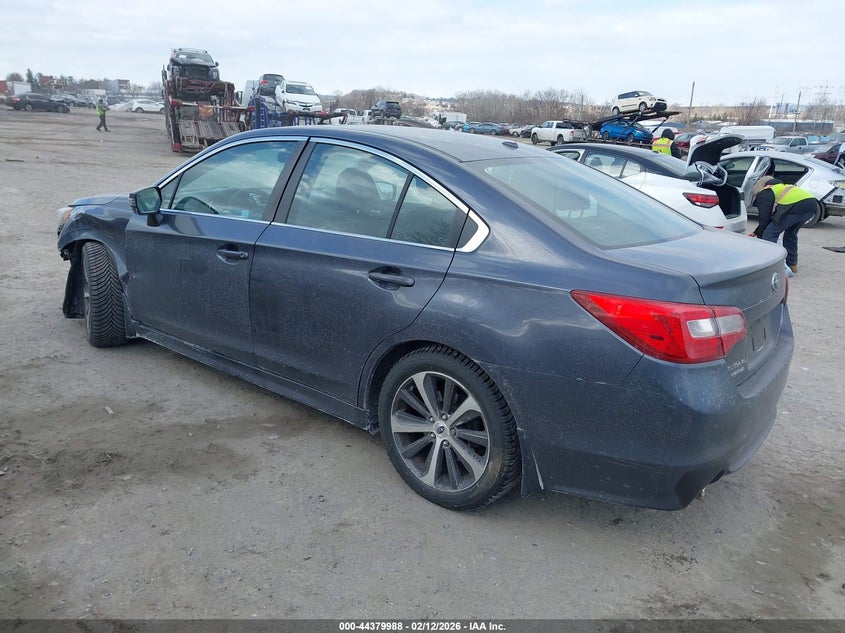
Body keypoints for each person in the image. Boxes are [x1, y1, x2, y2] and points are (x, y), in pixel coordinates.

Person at [751, 177, 819, 274]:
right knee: (790, 234)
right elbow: (771, 218)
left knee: (769, 233)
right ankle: (792, 265)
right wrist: (756, 232)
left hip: (797, 207)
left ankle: (770, 265)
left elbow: (764, 219)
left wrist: (760, 233)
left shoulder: (765, 193)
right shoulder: (782, 187)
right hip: (812, 205)